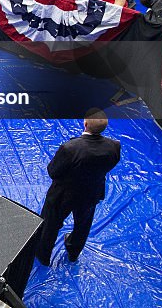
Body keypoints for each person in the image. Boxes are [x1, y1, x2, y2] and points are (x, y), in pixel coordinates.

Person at [35, 109, 121, 265]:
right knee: (83, 224)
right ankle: (74, 251)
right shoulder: (114, 146)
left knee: (50, 224)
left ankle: (43, 254)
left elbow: (53, 172)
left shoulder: (70, 148)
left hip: (63, 194)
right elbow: (111, 164)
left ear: (85, 124)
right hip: (91, 192)